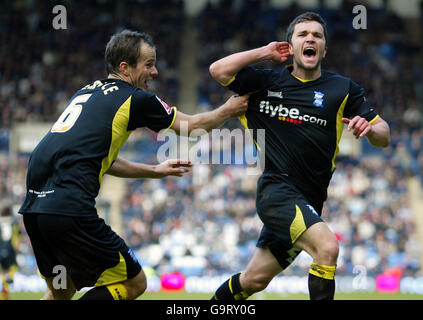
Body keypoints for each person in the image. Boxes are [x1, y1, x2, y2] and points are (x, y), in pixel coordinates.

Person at [19, 30, 249, 300]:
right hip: (69, 208)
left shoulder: (87, 92)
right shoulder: (135, 98)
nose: (155, 72)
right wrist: (228, 110)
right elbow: (193, 126)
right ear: (125, 68)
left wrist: (153, 170)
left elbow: (101, 159)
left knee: (61, 288)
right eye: (149, 64)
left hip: (35, 210)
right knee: (135, 283)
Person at [208, 12, 390, 300]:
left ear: (324, 49)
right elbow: (218, 70)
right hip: (276, 192)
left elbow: (384, 135)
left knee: (254, 280)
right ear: (290, 47)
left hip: (310, 201)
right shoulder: (265, 83)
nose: (310, 39)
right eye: (302, 34)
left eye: (317, 35)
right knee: (327, 248)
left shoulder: (342, 89)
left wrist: (370, 129)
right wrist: (265, 52)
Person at [0, 206, 19, 300]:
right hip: (10, 248)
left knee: (3, 270)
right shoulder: (13, 222)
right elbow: (16, 236)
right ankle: (9, 279)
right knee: (13, 266)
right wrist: (16, 246)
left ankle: (5, 285)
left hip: (1, 248)